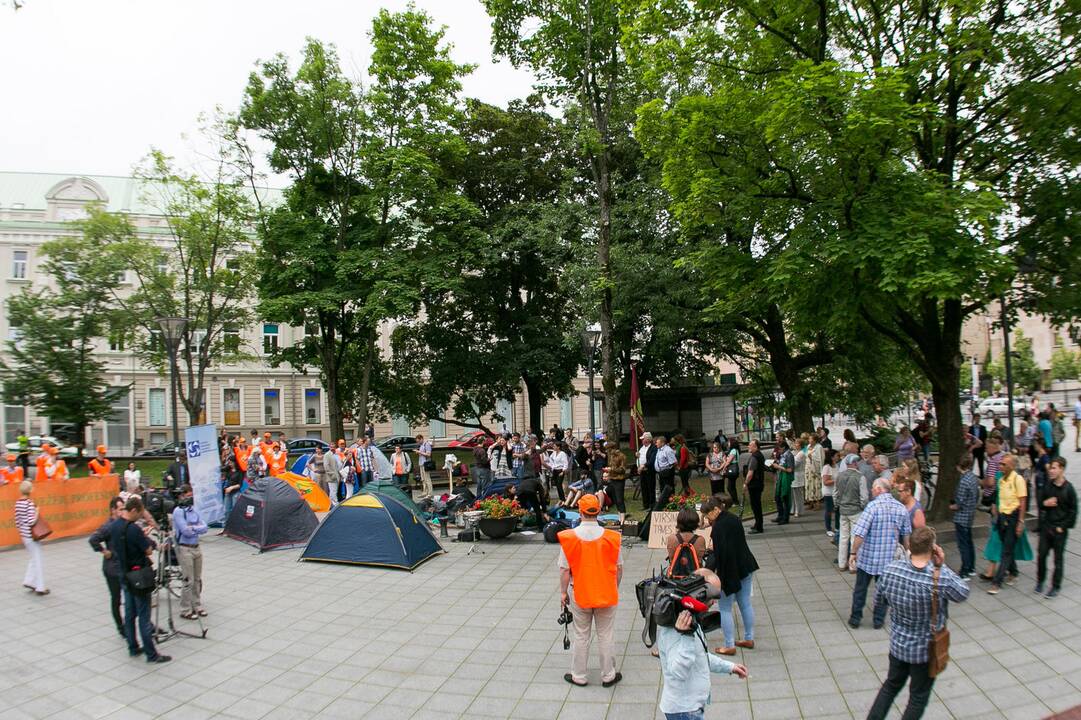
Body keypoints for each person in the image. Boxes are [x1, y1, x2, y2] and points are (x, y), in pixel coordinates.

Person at [867, 526, 970, 720]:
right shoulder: (939, 577)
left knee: (890, 686)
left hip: (898, 645)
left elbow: (879, 601)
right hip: (925, 651)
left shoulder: (890, 570)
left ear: (910, 546)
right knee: (918, 698)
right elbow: (963, 592)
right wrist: (941, 565)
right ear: (933, 549)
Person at [557, 494, 623, 688]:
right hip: (606, 592)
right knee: (606, 634)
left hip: (580, 592)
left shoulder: (570, 538)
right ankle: (608, 675)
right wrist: (614, 587)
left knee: (581, 634)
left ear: (580, 511)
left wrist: (563, 593)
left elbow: (564, 570)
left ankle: (579, 675)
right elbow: (619, 568)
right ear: (599, 511)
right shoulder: (613, 538)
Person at [657, 608, 748, 720]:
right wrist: (686, 636)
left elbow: (701, 656)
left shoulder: (691, 625)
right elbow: (679, 672)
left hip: (691, 708)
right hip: (684, 711)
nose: (713, 602)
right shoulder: (674, 633)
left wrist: (729, 667)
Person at [111, 496, 170, 663]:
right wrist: (144, 538)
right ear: (134, 510)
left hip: (124, 573)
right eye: (140, 513)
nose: (142, 517)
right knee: (144, 615)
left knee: (130, 614)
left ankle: (133, 647)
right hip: (139, 576)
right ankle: (152, 654)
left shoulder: (115, 526)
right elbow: (148, 551)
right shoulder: (134, 530)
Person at [848, 478, 912, 628]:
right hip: (888, 560)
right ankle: (878, 620)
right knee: (883, 592)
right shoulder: (901, 508)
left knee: (860, 590)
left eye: (872, 488)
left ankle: (855, 618)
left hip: (867, 559)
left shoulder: (872, 507)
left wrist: (853, 553)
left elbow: (860, 534)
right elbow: (906, 535)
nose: (871, 491)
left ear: (878, 489)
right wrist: (907, 553)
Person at [701, 494, 759, 655]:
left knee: (725, 608)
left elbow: (721, 555)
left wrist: (716, 577)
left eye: (708, 515)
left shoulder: (718, 527)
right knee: (745, 603)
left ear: (716, 510)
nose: (707, 519)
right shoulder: (733, 519)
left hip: (729, 570)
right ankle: (749, 637)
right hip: (745, 565)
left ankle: (729, 644)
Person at [1036, 456, 1076, 598]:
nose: (1051, 471)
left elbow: (1073, 511)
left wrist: (1063, 527)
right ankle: (1040, 581)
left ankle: (1055, 586)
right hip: (1047, 527)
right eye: (1051, 468)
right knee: (1041, 555)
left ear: (1061, 469)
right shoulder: (1048, 486)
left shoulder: (1069, 489)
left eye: (1054, 468)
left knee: (1058, 559)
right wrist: (1045, 504)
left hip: (1059, 530)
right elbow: (1040, 503)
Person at [987, 454, 1027, 595]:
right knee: (1006, 547)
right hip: (1002, 517)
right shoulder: (1001, 480)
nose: (1001, 467)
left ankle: (996, 582)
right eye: (1001, 464)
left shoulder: (1018, 480)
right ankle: (1014, 571)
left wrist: (1020, 522)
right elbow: (1000, 498)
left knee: (1006, 551)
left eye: (1004, 464)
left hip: (1013, 518)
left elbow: (1022, 502)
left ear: (1012, 466)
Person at [88, 496, 127, 636]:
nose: (123, 511)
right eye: (120, 509)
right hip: (112, 570)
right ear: (113, 510)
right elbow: (93, 539)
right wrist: (104, 551)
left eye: (124, 508)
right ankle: (121, 627)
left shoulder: (123, 524)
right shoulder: (109, 526)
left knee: (131, 597)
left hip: (123, 567)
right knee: (116, 598)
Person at [172, 484, 208, 619]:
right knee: (189, 580)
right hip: (184, 547)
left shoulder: (193, 510)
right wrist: (196, 527)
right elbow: (185, 531)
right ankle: (185, 609)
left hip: (196, 547)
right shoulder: (178, 511)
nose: (189, 498)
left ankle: (197, 605)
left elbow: (205, 527)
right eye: (187, 495)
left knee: (197, 579)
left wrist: (193, 527)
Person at [949, 454, 979, 578]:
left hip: (961, 516)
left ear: (958, 466)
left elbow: (959, 503)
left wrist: (952, 507)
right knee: (969, 542)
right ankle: (971, 567)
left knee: (963, 545)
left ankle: (965, 570)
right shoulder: (973, 477)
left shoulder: (963, 481)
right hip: (970, 514)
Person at [15, 480, 48, 595]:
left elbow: (17, 521)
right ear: (30, 490)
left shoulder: (18, 503)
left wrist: (22, 532)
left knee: (33, 558)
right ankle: (40, 587)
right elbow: (31, 521)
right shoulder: (29, 503)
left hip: (24, 536)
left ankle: (29, 580)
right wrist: (37, 512)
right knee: (38, 560)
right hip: (32, 536)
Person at [666, 507, 707, 577]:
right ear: (696, 522)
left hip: (675, 576)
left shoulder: (671, 538)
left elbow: (671, 559)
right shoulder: (700, 540)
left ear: (679, 521)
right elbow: (700, 561)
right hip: (696, 577)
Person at [743, 439, 766, 533]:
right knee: (757, 505)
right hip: (759, 483)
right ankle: (757, 523)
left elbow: (750, 473)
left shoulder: (755, 457)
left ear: (755, 447)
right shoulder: (759, 455)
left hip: (754, 485)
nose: (748, 446)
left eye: (750, 445)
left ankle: (759, 527)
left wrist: (745, 483)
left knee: (756, 505)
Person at [604, 442, 628, 523]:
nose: (608, 452)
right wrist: (608, 469)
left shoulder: (622, 456)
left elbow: (623, 469)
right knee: (615, 499)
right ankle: (619, 518)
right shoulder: (611, 456)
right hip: (612, 479)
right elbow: (612, 466)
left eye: (609, 450)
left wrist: (612, 470)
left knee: (619, 500)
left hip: (619, 480)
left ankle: (623, 520)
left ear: (613, 449)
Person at [772, 437, 793, 525]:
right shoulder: (783, 454)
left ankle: (785, 518)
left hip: (786, 479)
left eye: (779, 449)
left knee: (785, 498)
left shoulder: (789, 455)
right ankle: (780, 515)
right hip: (780, 477)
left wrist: (778, 467)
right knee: (777, 497)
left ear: (784, 448)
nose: (778, 451)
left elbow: (790, 470)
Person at [653, 434, 678, 510]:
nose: (656, 444)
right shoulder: (659, 449)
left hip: (667, 472)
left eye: (657, 442)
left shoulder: (668, 450)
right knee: (662, 490)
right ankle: (664, 505)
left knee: (669, 489)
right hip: (661, 472)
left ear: (662, 443)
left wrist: (669, 470)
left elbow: (674, 462)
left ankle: (671, 504)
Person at [638, 431, 657, 511]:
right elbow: (640, 458)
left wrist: (644, 465)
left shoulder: (653, 448)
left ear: (648, 439)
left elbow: (652, 459)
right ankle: (645, 505)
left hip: (649, 471)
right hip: (642, 471)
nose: (642, 440)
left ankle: (651, 505)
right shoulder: (642, 447)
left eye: (643, 439)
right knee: (644, 488)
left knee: (650, 488)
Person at [821, 448, 837, 537]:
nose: (838, 457)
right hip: (828, 493)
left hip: (835, 492)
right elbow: (825, 482)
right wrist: (836, 480)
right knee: (829, 510)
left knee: (834, 510)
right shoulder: (827, 467)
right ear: (831, 457)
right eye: (836, 456)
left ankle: (835, 527)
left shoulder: (836, 466)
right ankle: (828, 528)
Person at [805, 432, 822, 510]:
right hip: (808, 469)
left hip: (815, 469)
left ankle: (817, 503)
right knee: (809, 486)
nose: (809, 440)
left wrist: (812, 457)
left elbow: (821, 459)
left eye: (810, 438)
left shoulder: (819, 447)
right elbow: (805, 456)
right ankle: (810, 502)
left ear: (815, 440)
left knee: (816, 486)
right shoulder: (808, 446)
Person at [790, 436, 806, 518]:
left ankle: (798, 510)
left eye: (797, 443)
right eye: (795, 443)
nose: (795, 444)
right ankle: (793, 509)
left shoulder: (801, 453)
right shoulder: (794, 452)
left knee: (798, 494)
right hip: (793, 475)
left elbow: (794, 464)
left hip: (798, 475)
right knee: (793, 494)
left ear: (800, 445)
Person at [969, 413, 988, 478]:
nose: (977, 420)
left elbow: (985, 439)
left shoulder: (983, 428)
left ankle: (982, 478)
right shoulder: (970, 428)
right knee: (971, 465)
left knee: (981, 465)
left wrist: (985, 448)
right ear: (974, 419)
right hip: (973, 449)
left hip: (981, 449)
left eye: (979, 419)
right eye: (976, 418)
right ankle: (970, 477)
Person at [415, 434, 433, 498]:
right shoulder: (421, 445)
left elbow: (428, 454)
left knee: (427, 479)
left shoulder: (427, 444)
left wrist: (419, 452)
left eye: (418, 441)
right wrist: (418, 452)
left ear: (421, 439)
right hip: (421, 464)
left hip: (426, 464)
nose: (418, 442)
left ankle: (430, 493)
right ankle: (425, 492)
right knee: (423, 479)